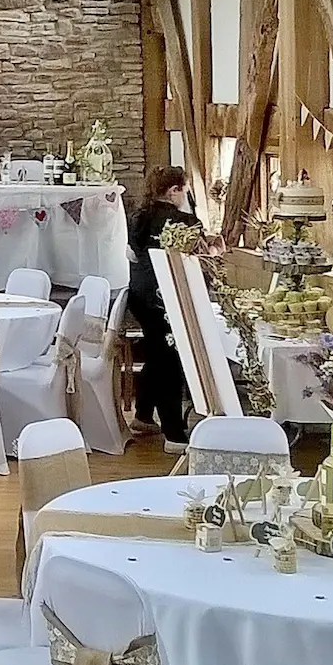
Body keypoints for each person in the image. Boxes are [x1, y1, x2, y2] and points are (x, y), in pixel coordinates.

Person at [128, 166, 201, 452]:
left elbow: (134, 255)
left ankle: (144, 416)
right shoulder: (184, 221)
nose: (187, 195)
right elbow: (195, 261)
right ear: (174, 191)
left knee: (156, 355)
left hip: (139, 295)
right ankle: (174, 433)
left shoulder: (138, 217)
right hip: (166, 297)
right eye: (185, 189)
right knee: (169, 362)